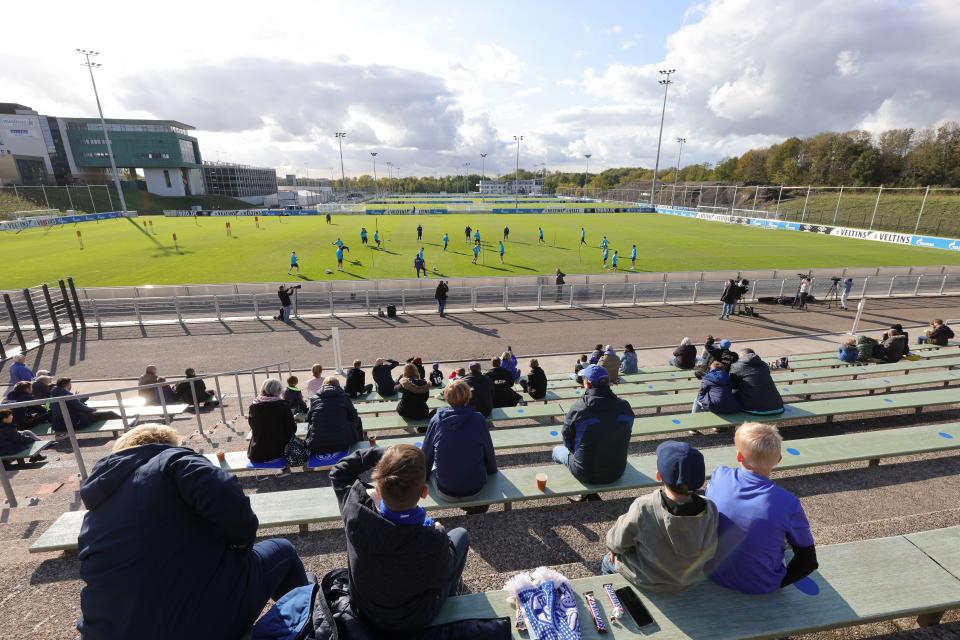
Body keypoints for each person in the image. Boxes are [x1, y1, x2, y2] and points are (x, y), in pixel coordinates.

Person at [77, 424, 309, 639]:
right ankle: (314, 619)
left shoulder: (98, 503)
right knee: (283, 550)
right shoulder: (170, 459)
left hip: (106, 631)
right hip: (192, 626)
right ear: (165, 443)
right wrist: (241, 543)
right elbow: (231, 501)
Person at [329, 445, 470, 632]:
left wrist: (385, 455)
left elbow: (338, 472)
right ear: (424, 492)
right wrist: (441, 534)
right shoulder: (433, 542)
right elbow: (446, 569)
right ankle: (452, 593)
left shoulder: (355, 511)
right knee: (460, 535)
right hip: (414, 619)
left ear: (378, 488)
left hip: (364, 610)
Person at [705, 422, 818, 594]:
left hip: (713, 572)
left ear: (739, 457)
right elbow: (808, 561)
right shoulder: (788, 503)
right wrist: (775, 582)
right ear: (779, 459)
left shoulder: (719, 475)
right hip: (761, 585)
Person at [602, 440, 718, 592]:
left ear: (658, 476)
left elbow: (617, 541)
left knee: (606, 561)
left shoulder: (644, 506)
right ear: (702, 481)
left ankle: (609, 592)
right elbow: (711, 549)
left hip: (646, 579)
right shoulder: (710, 509)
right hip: (686, 580)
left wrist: (613, 548)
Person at [552, 365, 634, 496]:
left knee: (556, 451)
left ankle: (570, 487)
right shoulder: (625, 406)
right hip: (616, 472)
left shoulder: (579, 408)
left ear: (587, 383)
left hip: (585, 473)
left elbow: (567, 440)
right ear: (607, 382)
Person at [422, 380, 497, 511]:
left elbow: (426, 452)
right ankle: (474, 508)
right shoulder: (479, 419)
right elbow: (488, 449)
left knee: (436, 464)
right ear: (468, 397)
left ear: (446, 398)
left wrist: (424, 476)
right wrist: (492, 470)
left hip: (445, 490)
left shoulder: (436, 419)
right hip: (476, 488)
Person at [306, 377, 363, 454]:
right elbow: (354, 417)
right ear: (338, 385)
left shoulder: (314, 399)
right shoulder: (344, 397)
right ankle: (359, 449)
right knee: (358, 420)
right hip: (343, 443)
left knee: (311, 424)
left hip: (317, 444)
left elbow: (309, 419)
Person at [246, 378, 298, 463]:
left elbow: (252, 425)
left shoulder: (254, 405)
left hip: (256, 453)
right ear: (279, 391)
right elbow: (292, 429)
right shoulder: (283, 405)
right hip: (278, 452)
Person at [50, 378, 121, 435]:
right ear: (67, 385)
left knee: (102, 414)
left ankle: (119, 430)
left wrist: (77, 399)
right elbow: (81, 407)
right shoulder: (67, 396)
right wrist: (92, 409)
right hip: (75, 423)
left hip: (58, 425)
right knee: (110, 413)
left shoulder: (52, 394)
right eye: (70, 385)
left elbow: (73, 405)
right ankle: (128, 428)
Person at [729, 349, 784, 415]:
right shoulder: (764, 365)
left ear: (742, 356)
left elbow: (732, 385)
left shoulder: (736, 366)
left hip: (755, 409)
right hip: (778, 407)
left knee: (730, 392)